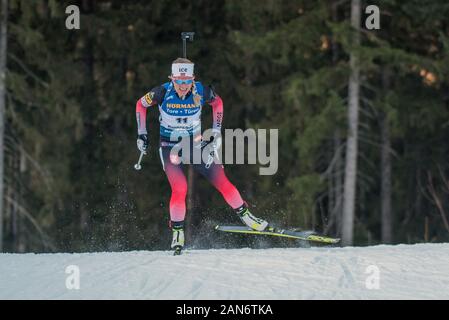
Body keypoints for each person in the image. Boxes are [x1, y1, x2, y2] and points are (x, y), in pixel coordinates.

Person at [135, 58, 268, 252]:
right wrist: (142, 133)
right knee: (180, 188)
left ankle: (247, 216)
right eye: (178, 81)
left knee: (222, 180)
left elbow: (218, 103)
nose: (182, 86)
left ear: (193, 79)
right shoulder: (161, 92)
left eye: (187, 81)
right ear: (171, 79)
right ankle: (178, 232)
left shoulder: (201, 91)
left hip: (196, 144)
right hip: (169, 146)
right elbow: (140, 105)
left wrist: (215, 131)